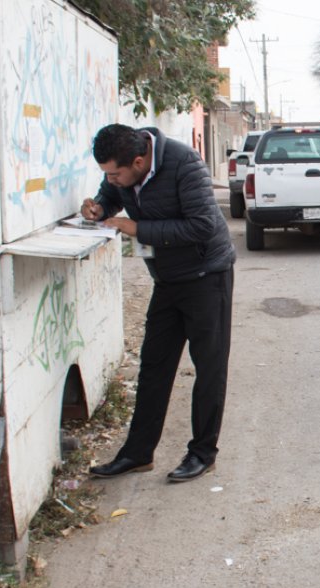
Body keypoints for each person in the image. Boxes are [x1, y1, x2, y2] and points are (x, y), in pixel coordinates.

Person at [81, 124, 236, 483]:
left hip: (206, 276)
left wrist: (137, 228)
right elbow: (111, 194)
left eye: (115, 173)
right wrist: (99, 207)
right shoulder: (124, 170)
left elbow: (201, 226)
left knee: (209, 368)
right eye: (107, 174)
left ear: (138, 161)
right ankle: (138, 454)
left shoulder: (186, 165)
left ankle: (202, 453)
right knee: (154, 367)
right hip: (166, 279)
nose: (112, 179)